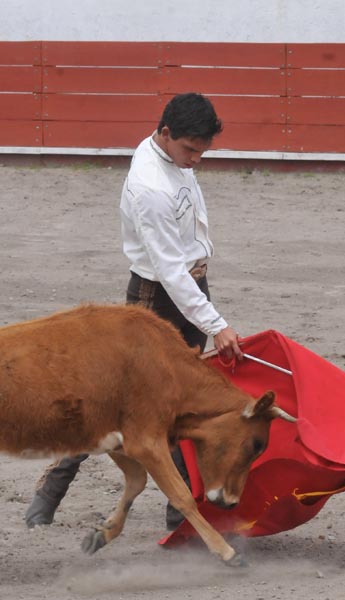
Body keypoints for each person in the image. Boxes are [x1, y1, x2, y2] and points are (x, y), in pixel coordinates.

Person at [25, 92, 243, 531]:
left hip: (188, 287)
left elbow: (182, 268)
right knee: (111, 399)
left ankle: (176, 512)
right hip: (156, 296)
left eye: (202, 151)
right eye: (191, 150)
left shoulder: (172, 160)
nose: (197, 160)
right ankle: (52, 488)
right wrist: (215, 323)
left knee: (183, 397)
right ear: (166, 134)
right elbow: (168, 270)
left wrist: (205, 307)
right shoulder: (150, 187)